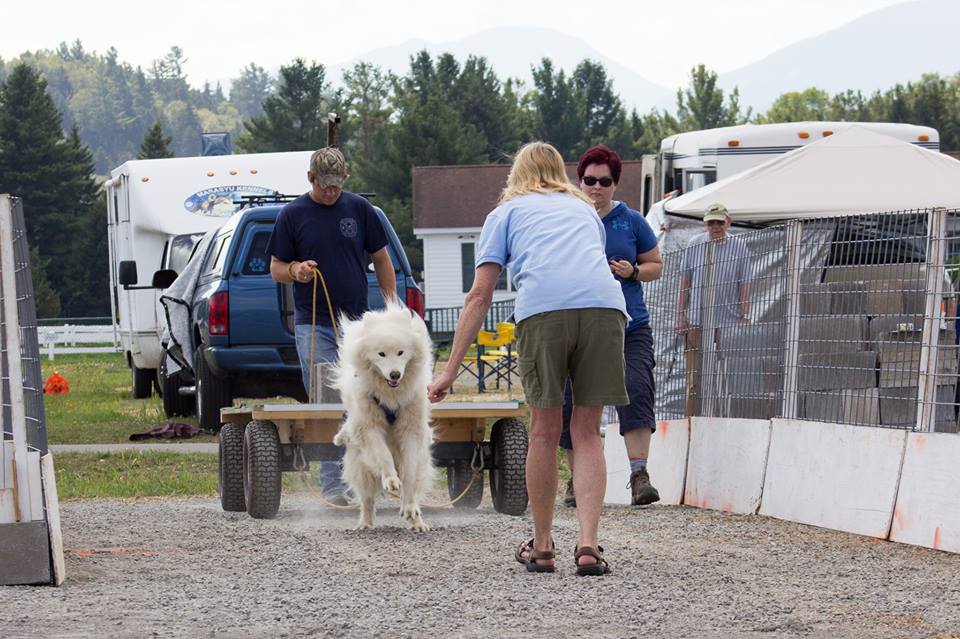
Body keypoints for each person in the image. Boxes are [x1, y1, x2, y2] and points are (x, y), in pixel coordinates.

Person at [428, 142, 629, 576]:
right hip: (604, 309)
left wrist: (448, 370)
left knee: (543, 430)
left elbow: (480, 295)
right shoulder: (584, 210)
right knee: (588, 431)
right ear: (561, 172)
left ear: (516, 175)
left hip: (544, 310)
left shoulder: (505, 214)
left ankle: (541, 546)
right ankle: (589, 546)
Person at [267, 147, 397, 505]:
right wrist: (296, 270)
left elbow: (382, 259)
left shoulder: (359, 209)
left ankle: (376, 473)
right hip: (315, 325)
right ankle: (333, 484)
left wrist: (391, 309)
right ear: (311, 179)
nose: (331, 192)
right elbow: (276, 267)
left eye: (337, 186)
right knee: (328, 400)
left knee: (367, 398)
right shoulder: (292, 215)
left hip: (357, 325)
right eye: (325, 186)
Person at [560, 145, 663, 509]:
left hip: (629, 325)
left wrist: (632, 271)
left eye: (604, 181)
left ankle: (639, 475)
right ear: (580, 181)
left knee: (636, 389)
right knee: (575, 402)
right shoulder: (567, 219)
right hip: (579, 325)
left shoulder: (631, 221)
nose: (596, 187)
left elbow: (655, 265)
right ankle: (576, 480)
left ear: (615, 184)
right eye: (590, 180)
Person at [675, 203, 752, 417]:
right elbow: (685, 282)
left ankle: (722, 419)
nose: (715, 226)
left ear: (728, 222)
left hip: (727, 321)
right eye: (711, 222)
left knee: (724, 376)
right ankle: (690, 421)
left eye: (719, 222)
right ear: (705, 224)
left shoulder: (740, 246)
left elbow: (745, 283)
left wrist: (744, 315)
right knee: (694, 378)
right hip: (697, 319)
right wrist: (680, 315)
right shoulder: (694, 244)